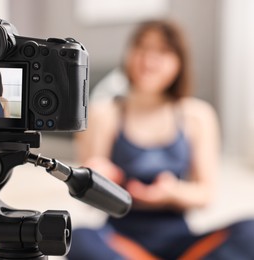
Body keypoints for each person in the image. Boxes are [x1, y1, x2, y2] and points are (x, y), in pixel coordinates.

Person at [67, 20, 254, 259]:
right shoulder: (103, 113)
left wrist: (172, 192)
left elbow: (205, 194)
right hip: (120, 242)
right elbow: (88, 195)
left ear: (179, 62)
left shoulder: (197, 115)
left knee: (250, 232)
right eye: (142, 48)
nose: (149, 60)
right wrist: (97, 178)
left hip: (182, 245)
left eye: (162, 51)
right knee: (76, 238)